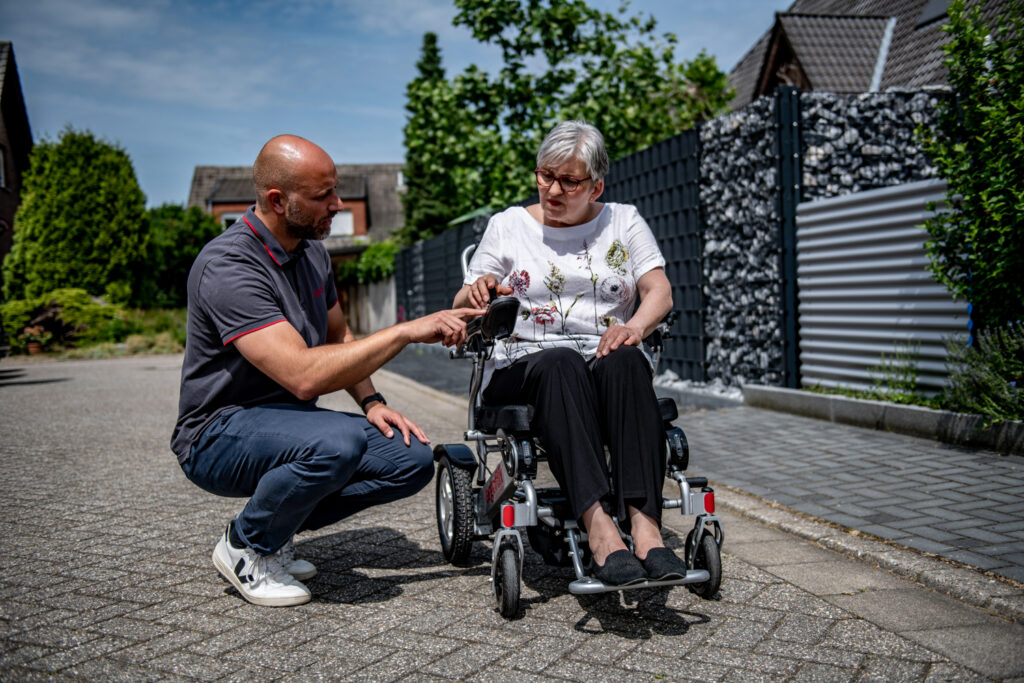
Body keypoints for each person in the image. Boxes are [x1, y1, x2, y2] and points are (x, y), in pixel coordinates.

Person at [171, 134, 484, 607]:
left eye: (335, 191)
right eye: (323, 196)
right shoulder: (228, 265)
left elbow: (338, 337)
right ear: (278, 201)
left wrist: (373, 403)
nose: (337, 204)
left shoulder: (313, 252)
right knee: (334, 444)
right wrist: (404, 332)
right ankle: (245, 545)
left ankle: (278, 529)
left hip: (288, 425)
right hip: (217, 432)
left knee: (411, 459)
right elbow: (303, 376)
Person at [453, 120, 687, 586]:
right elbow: (461, 308)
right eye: (545, 175)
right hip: (525, 364)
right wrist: (476, 292)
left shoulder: (623, 221)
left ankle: (645, 528)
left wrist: (635, 326)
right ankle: (600, 529)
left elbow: (659, 290)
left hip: (601, 359)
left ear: (597, 185)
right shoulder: (508, 227)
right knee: (560, 361)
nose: (552, 189)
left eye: (569, 181)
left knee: (623, 357)